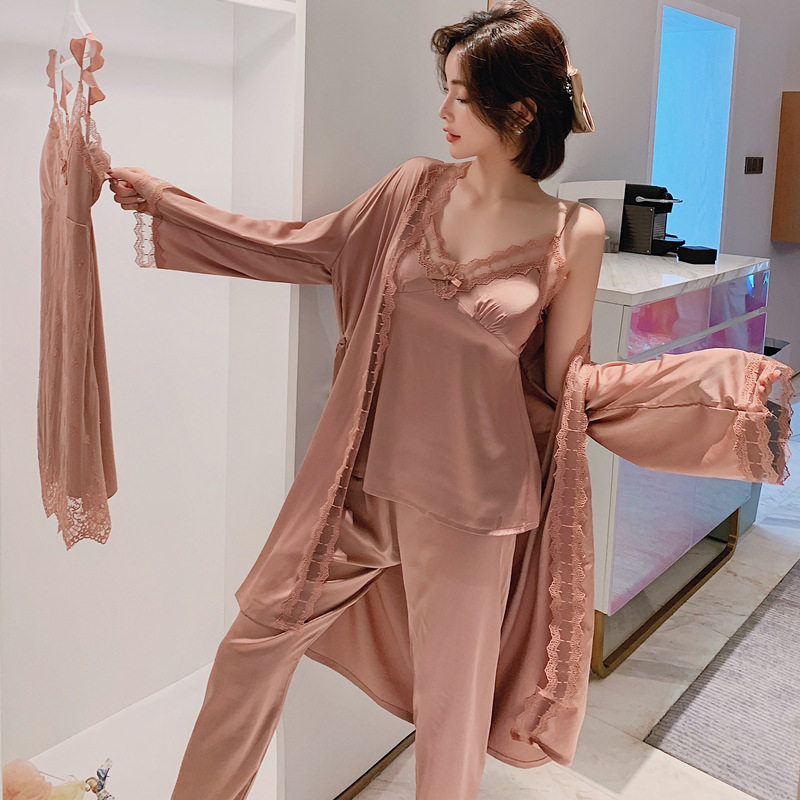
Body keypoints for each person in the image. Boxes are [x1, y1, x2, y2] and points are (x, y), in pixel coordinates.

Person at [106, 2, 785, 799]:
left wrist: (721, 396)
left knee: (450, 722)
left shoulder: (572, 232)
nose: (443, 111)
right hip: (360, 488)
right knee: (251, 648)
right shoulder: (411, 189)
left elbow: (568, 383)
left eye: (461, 95)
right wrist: (166, 203)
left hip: (474, 509)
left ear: (519, 112)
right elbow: (305, 249)